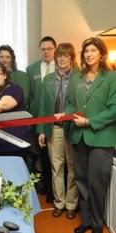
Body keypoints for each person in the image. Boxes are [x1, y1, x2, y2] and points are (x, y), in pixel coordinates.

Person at [61, 37, 116, 233]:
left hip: (101, 138)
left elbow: (114, 109)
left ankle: (96, 224)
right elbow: (71, 103)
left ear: (101, 54)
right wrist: (65, 114)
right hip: (79, 137)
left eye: (93, 50)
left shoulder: (111, 77)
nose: (89, 54)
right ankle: (85, 222)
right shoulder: (76, 77)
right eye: (86, 51)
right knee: (82, 181)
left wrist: (90, 121)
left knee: (96, 183)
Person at [37, 43, 79, 219]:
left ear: (71, 58)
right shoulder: (48, 80)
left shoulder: (79, 77)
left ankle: (71, 204)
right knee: (57, 167)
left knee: (73, 167)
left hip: (73, 128)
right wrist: (41, 130)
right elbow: (42, 106)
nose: (62, 59)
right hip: (53, 129)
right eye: (59, 56)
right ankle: (59, 202)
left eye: (66, 56)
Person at [26, 36, 57, 203]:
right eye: (43, 49)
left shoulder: (62, 65)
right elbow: (30, 95)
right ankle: (48, 191)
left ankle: (59, 193)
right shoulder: (31, 69)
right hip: (39, 119)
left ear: (55, 49)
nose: (46, 52)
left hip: (59, 119)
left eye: (49, 48)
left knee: (59, 160)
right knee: (44, 157)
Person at [0, 45, 30, 109]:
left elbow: (25, 98)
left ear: (12, 59)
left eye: (8, 57)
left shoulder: (23, 76)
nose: (4, 60)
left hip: (18, 114)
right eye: (1, 57)